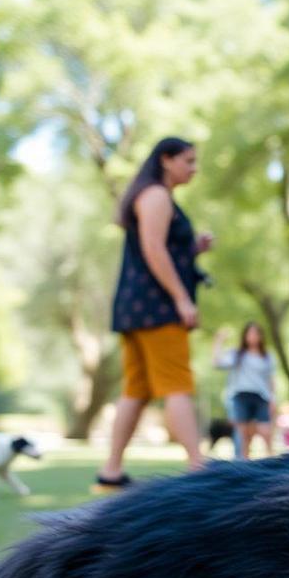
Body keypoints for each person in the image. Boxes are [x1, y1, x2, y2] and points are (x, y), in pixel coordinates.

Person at [97, 137, 209, 489]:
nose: (193, 168)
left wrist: (193, 250)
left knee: (138, 389)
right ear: (166, 159)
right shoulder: (157, 196)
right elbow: (153, 251)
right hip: (156, 309)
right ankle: (198, 468)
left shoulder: (152, 196)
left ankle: (111, 472)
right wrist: (182, 300)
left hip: (135, 308)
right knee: (177, 383)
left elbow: (162, 251)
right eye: (188, 161)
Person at [213, 323, 277, 459]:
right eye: (250, 333)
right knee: (244, 435)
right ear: (245, 336)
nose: (253, 337)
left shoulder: (267, 357)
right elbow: (217, 363)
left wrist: (273, 399)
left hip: (261, 397)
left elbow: (271, 379)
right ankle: (244, 464)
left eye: (256, 333)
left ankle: (273, 461)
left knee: (265, 431)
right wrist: (219, 340)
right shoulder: (237, 355)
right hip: (241, 396)